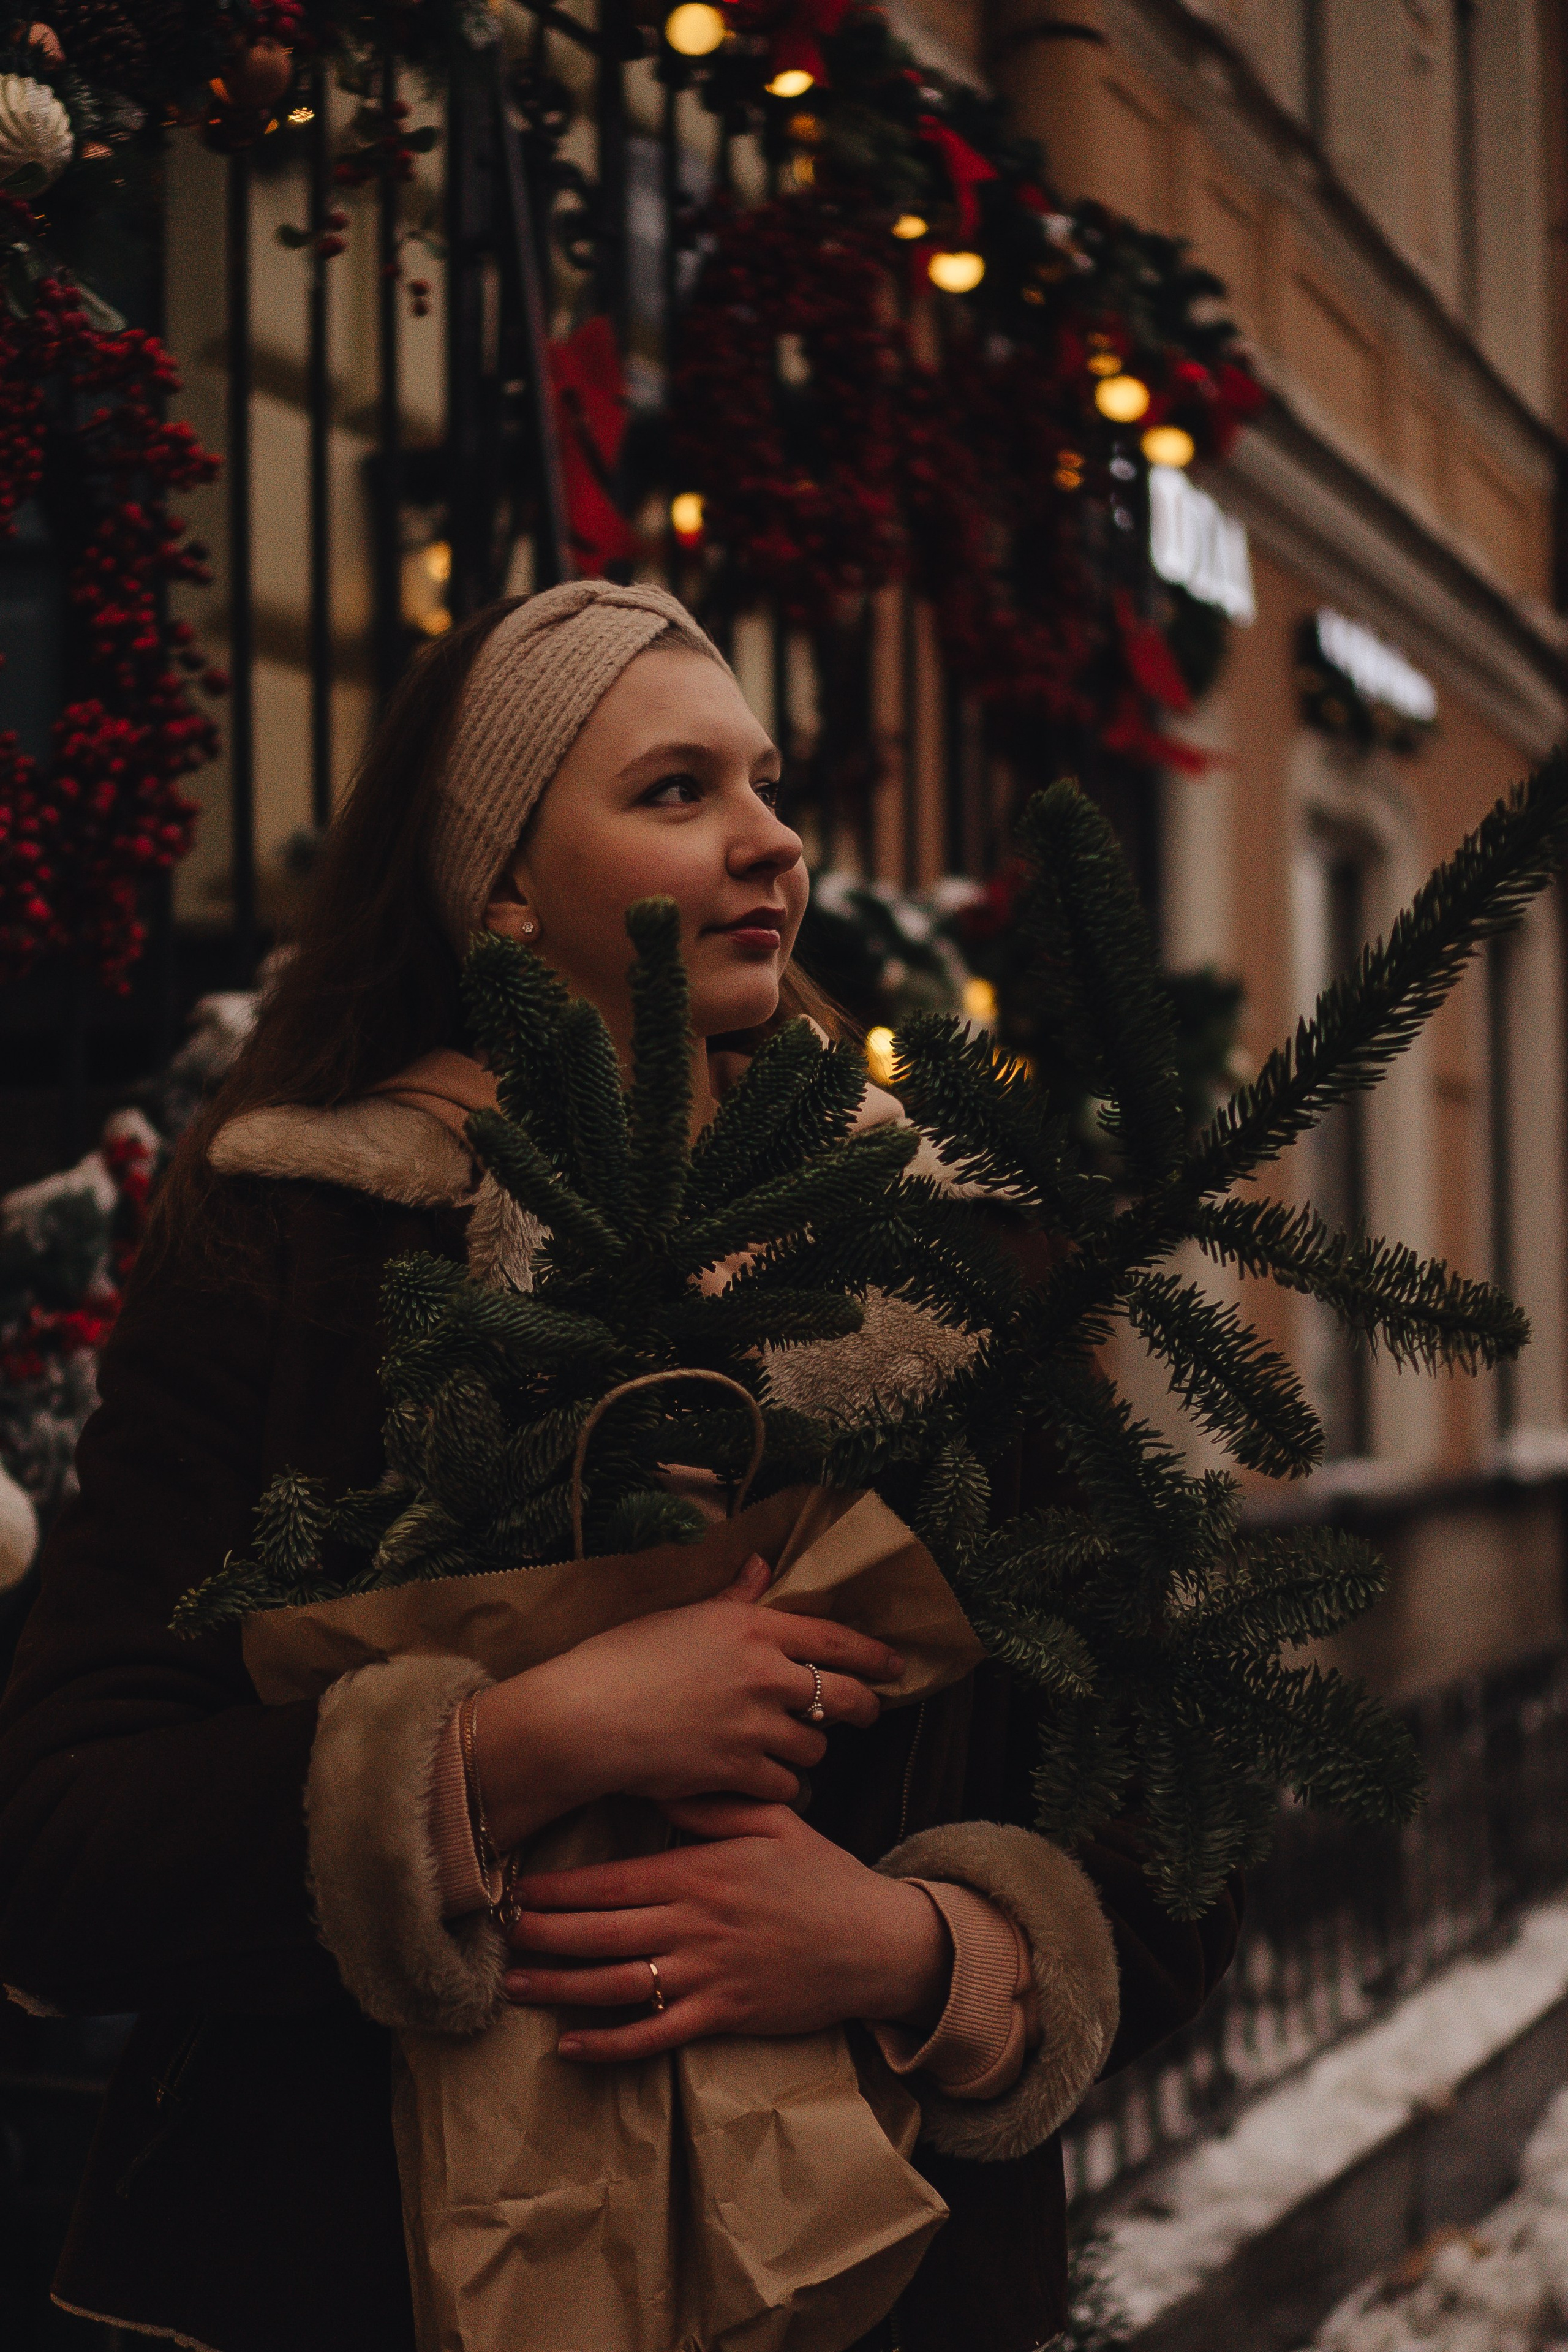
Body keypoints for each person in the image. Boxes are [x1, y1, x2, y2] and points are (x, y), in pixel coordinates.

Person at [0, 581, 1238, 2352]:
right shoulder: (301, 1242)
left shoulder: (942, 1265)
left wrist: (920, 1950)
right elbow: (58, 1846)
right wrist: (521, 1748)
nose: (772, 839)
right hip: (363, 2289)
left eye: (767, 783)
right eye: (676, 791)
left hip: (881, 2302)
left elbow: (1180, 1821)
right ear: (503, 881)